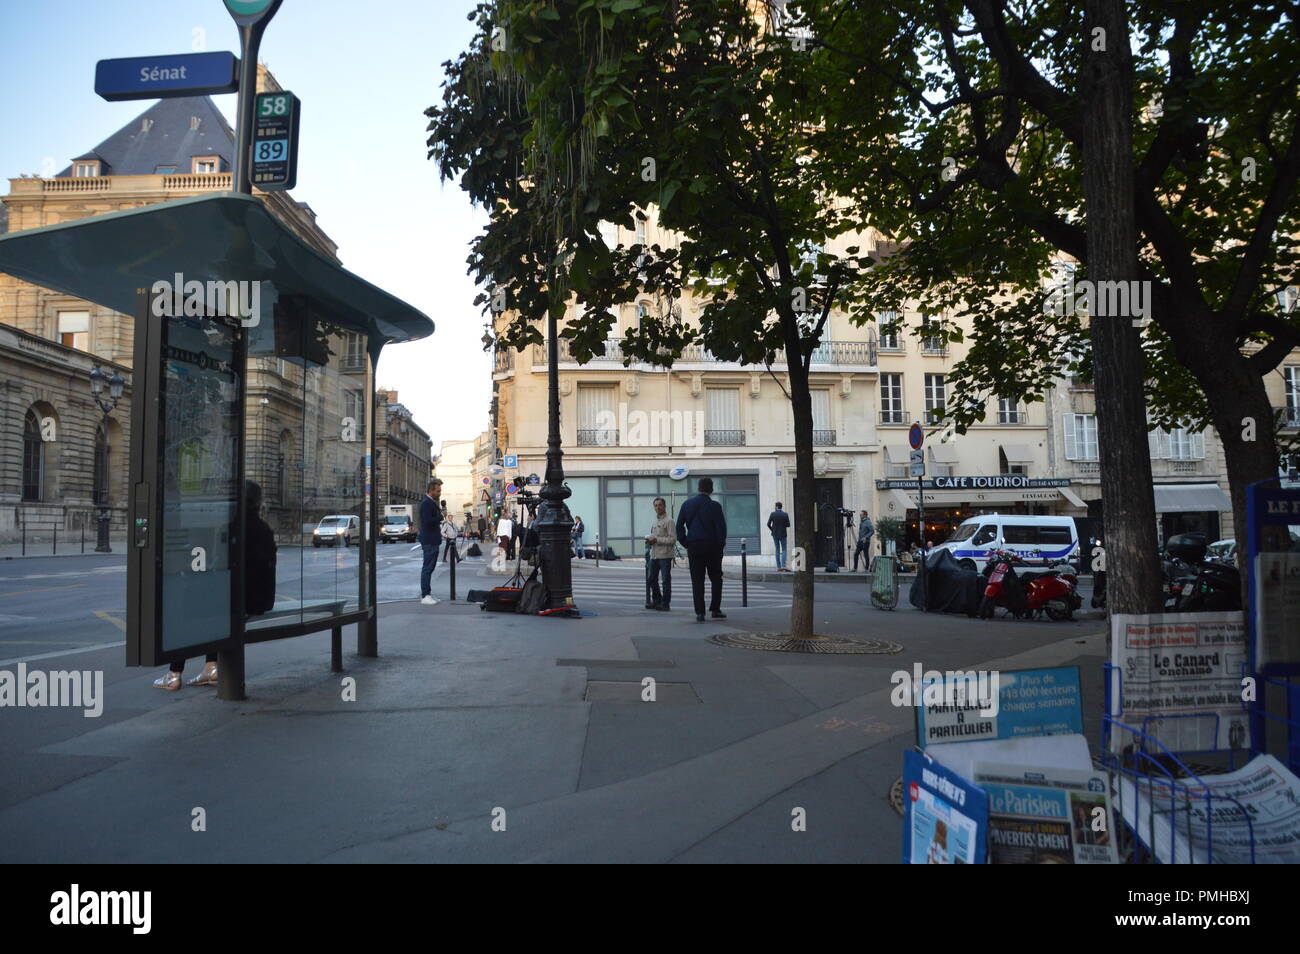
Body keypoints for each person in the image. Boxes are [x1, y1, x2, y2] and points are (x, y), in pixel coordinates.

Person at [154, 480, 277, 690]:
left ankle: (174, 673)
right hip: (262, 600)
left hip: (243, 600)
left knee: (188, 614)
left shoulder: (231, 528)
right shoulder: (265, 529)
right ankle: (211, 667)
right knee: (211, 611)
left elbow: (218, 565)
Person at [676, 477, 728, 622]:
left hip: (694, 546)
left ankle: (700, 612)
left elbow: (679, 526)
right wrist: (719, 546)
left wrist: (686, 542)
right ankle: (715, 609)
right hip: (712, 547)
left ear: (698, 488)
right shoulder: (715, 506)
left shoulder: (687, 504)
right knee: (716, 578)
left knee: (697, 580)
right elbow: (721, 529)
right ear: (711, 489)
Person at [645, 497, 676, 611]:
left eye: (660, 505)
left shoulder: (669, 521)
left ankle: (665, 603)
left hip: (665, 555)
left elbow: (673, 539)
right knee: (651, 578)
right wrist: (650, 540)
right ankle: (657, 600)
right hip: (654, 555)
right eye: (656, 505)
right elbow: (655, 536)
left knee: (665, 580)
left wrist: (657, 540)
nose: (658, 507)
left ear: (664, 506)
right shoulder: (655, 521)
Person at [419, 479, 444, 605]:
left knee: (430, 568)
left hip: (433, 539)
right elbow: (428, 521)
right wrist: (440, 516)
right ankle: (425, 595)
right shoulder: (426, 503)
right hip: (429, 540)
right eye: (438, 491)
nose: (440, 493)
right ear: (431, 490)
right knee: (427, 568)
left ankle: (427, 594)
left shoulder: (432, 502)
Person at [767, 502, 791, 571]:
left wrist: (773, 530)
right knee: (784, 549)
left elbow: (768, 524)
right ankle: (783, 565)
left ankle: (778, 567)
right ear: (781, 507)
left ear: (776, 507)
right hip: (783, 534)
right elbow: (788, 525)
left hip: (775, 534)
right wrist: (783, 525)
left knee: (777, 549)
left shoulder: (773, 514)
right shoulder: (785, 514)